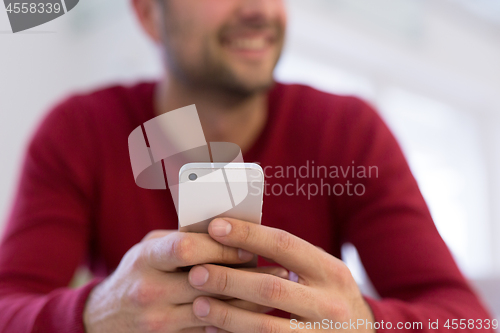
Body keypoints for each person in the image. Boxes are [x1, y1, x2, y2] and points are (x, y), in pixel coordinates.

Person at [0, 0, 495, 332]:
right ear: (150, 14)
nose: (259, 10)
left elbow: (466, 321)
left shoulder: (349, 130)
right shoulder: (78, 130)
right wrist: (93, 314)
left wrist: (361, 322)